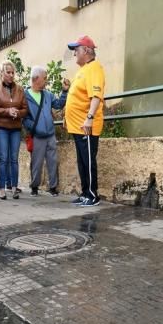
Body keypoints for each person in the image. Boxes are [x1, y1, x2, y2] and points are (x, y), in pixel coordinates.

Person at [65, 35, 105, 207]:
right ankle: (84, 193)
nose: (74, 53)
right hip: (77, 126)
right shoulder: (83, 70)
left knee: (88, 160)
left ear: (87, 51)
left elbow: (96, 96)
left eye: (77, 49)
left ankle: (92, 194)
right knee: (82, 161)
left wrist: (89, 119)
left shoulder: (94, 68)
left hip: (86, 126)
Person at [24, 66, 70, 196]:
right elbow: (24, 117)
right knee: (37, 163)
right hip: (37, 136)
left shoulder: (47, 94)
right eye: (44, 78)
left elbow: (58, 104)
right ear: (36, 79)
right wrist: (33, 127)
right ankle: (34, 186)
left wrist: (64, 91)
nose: (46, 81)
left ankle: (53, 187)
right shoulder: (25, 96)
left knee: (52, 162)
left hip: (50, 134)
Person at [0, 61, 28, 200]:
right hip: (1, 128)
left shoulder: (20, 89)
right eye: (8, 72)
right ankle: (2, 188)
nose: (11, 75)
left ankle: (14, 188)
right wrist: (7, 111)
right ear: (2, 73)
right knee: (3, 158)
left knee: (14, 158)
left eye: (12, 72)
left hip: (16, 128)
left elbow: (25, 109)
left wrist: (18, 113)